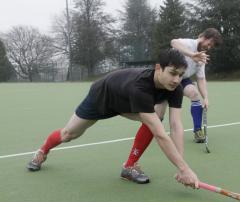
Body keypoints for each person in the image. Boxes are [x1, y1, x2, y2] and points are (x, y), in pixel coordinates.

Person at [26, 48, 199, 189]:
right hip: (103, 96)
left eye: (181, 75)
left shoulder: (175, 88)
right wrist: (184, 169)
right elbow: (161, 135)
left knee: (156, 117)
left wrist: (181, 166)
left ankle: (129, 166)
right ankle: (42, 151)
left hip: (127, 101)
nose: (177, 79)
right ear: (158, 68)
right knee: (68, 134)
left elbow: (176, 125)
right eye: (172, 73)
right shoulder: (141, 88)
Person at [121, 28, 222, 183]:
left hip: (182, 80)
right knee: (157, 117)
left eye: (212, 46)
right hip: (167, 79)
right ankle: (131, 162)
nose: (209, 46)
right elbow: (173, 42)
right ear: (203, 36)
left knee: (194, 95)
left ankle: (197, 131)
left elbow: (201, 79)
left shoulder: (201, 58)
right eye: (210, 42)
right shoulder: (189, 43)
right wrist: (191, 55)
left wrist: (206, 97)